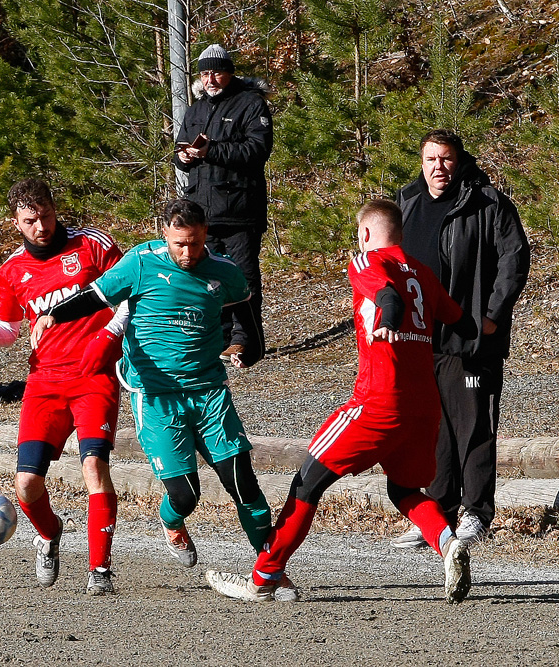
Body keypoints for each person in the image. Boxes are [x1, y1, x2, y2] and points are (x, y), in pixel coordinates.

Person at [205, 200, 478, 604]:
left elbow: (389, 299)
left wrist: (387, 322)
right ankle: (448, 543)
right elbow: (461, 321)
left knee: (308, 481)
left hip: (377, 402)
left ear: (366, 234)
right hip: (424, 406)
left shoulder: (366, 262)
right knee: (403, 489)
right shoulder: (423, 272)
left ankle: (264, 579)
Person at [32, 199, 271, 571]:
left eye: (194, 242)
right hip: (156, 396)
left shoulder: (225, 271)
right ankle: (172, 522)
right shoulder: (141, 262)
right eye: (179, 243)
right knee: (186, 495)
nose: (187, 252)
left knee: (244, 486)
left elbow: (246, 316)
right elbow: (95, 296)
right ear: (165, 235)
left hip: (209, 393)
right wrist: (53, 314)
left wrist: (250, 349)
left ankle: (270, 570)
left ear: (205, 233)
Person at [0, 178, 125, 596]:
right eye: (30, 220)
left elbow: (129, 295)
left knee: (93, 468)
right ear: (16, 222)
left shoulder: (93, 245)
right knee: (26, 484)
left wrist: (109, 338)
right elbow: (8, 331)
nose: (41, 227)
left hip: (94, 376)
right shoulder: (12, 269)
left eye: (45, 216)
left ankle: (99, 571)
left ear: (54, 208)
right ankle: (49, 534)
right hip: (44, 382)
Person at [392, 130, 530, 547]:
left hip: (470, 339)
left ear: (459, 160)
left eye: (446, 159)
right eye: (431, 159)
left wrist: (490, 316)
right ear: (421, 162)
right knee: (434, 429)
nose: (438, 167)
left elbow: (515, 258)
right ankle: (437, 516)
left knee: (473, 429)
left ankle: (477, 514)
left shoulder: (487, 203)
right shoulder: (407, 202)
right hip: (420, 339)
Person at [173, 43, 272, 360]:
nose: (210, 78)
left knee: (243, 278)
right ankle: (222, 339)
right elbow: (179, 151)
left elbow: (257, 151)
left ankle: (248, 342)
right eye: (204, 73)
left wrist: (211, 150)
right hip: (203, 213)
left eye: (216, 71)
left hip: (241, 211)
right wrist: (184, 156)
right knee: (209, 279)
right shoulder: (196, 109)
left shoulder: (251, 104)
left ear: (229, 72)